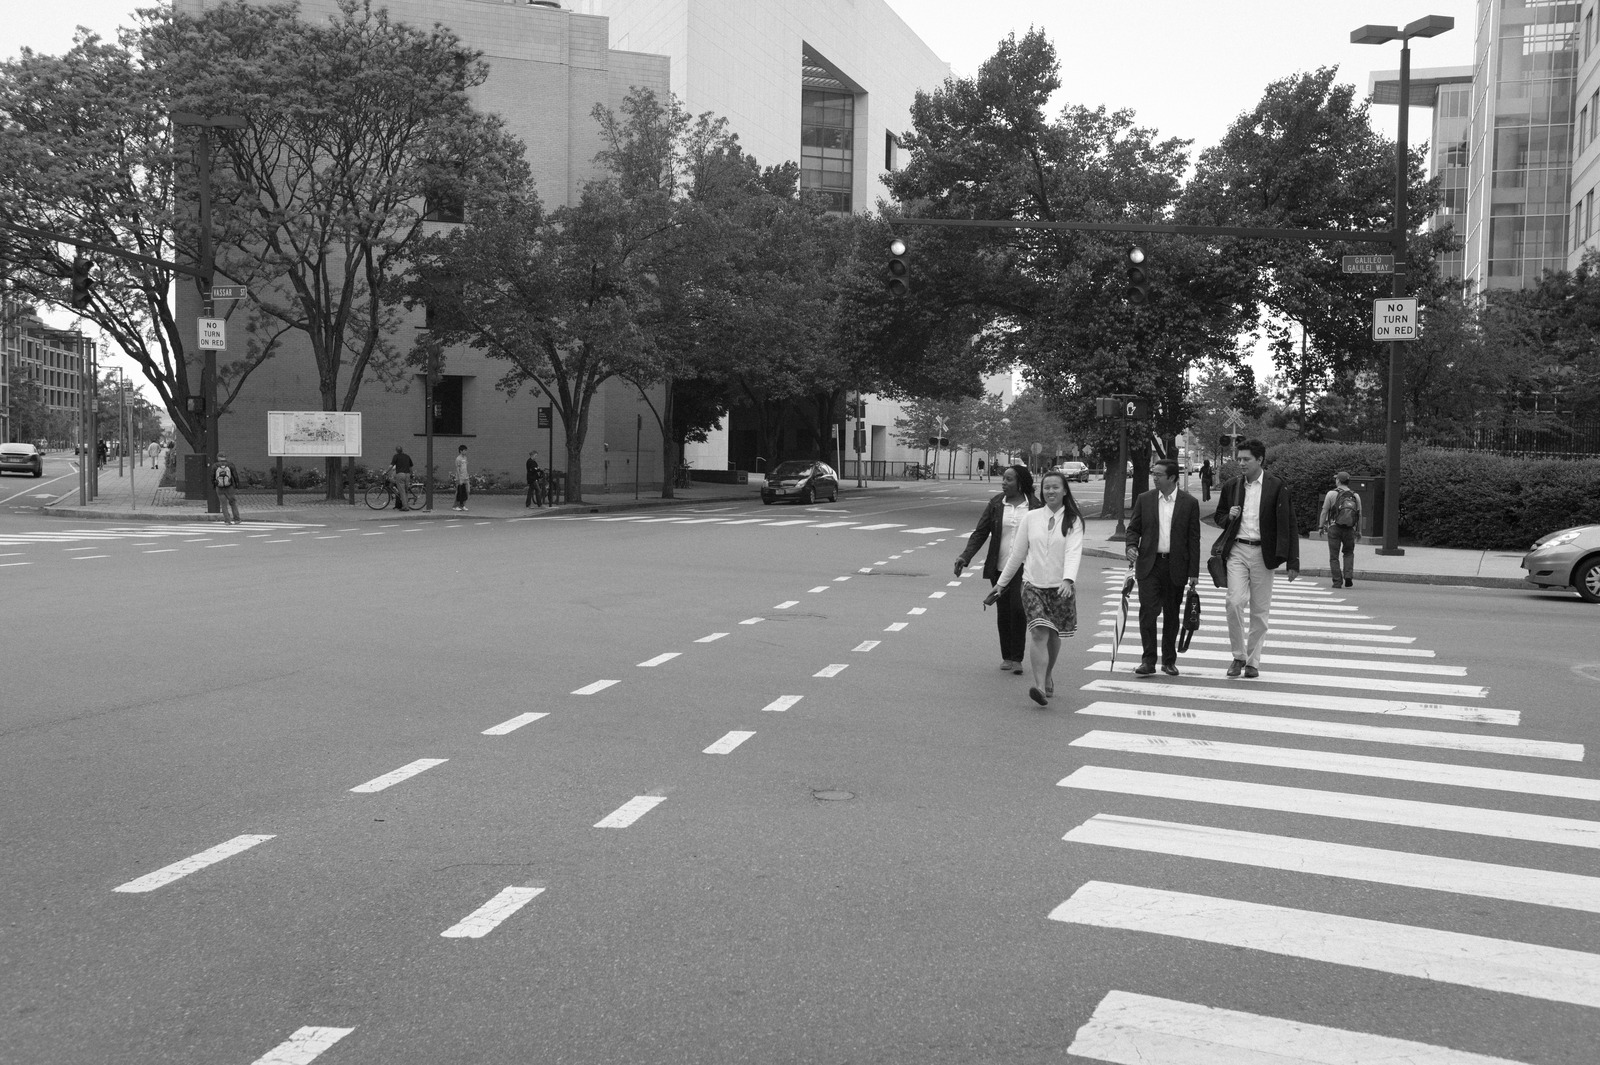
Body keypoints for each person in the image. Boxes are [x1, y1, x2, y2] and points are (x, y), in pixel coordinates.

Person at [984, 469, 1084, 706]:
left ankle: (1049, 675)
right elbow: (1017, 555)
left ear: (1064, 491)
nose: (1050, 491)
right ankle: (1039, 686)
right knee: (1039, 632)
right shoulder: (1031, 517)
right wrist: (1000, 585)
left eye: (1055, 487)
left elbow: (1073, 552)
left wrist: (1068, 579)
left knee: (1053, 635)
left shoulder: (1073, 520)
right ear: (1042, 491)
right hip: (1032, 585)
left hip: (1060, 587)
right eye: (1046, 487)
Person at [1211, 438, 1300, 679]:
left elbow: (1289, 524)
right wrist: (1228, 516)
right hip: (1237, 550)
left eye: (1246, 459)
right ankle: (1238, 656)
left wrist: (1293, 561)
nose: (1241, 463)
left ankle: (1252, 662)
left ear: (1260, 460)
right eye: (1239, 459)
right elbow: (1218, 517)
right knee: (1234, 602)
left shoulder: (1276, 486)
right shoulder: (1232, 486)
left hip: (1264, 553)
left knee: (1260, 611)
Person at [955, 464, 1042, 675]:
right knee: (1004, 611)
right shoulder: (996, 504)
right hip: (1000, 566)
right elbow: (981, 532)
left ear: (1020, 482)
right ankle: (1007, 656)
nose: (1004, 482)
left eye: (1009, 479)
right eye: (1003, 478)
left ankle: (1017, 658)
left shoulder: (1035, 506)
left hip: (1025, 567)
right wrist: (965, 557)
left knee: (1018, 609)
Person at [1125, 459, 1202, 676]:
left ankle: (1169, 661)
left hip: (1176, 566)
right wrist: (1131, 545)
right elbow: (1133, 529)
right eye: (1153, 473)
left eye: (1158, 474)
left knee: (1171, 613)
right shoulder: (1145, 499)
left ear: (1172, 478)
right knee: (1148, 612)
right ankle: (1148, 660)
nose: (1154, 477)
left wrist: (1193, 573)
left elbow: (1193, 539)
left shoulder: (1189, 503)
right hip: (1150, 564)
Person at [1318, 471, 1361, 589]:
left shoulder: (1331, 494)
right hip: (1349, 529)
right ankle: (1348, 576)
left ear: (1338, 481)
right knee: (1348, 553)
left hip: (1334, 528)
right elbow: (1358, 514)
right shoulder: (1355, 495)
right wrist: (1358, 531)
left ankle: (1337, 581)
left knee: (1334, 556)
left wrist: (1321, 527)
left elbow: (1324, 511)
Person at [212, 451, 242, 524]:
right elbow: (235, 476)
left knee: (223, 504)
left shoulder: (215, 466)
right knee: (233, 502)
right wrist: (237, 485)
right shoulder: (230, 465)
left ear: (218, 458)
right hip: (229, 487)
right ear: (225, 457)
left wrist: (214, 485)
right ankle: (237, 519)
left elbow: (212, 477)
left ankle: (227, 520)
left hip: (219, 487)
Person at [389, 446, 413, 511]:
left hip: (400, 475)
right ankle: (406, 505)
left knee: (402, 491)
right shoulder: (407, 456)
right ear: (402, 450)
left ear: (396, 451)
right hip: (407, 474)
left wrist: (386, 471)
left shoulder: (396, 456)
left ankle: (405, 507)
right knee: (406, 491)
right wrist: (411, 474)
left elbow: (391, 466)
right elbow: (410, 467)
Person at [452, 444, 470, 511]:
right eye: (464, 450)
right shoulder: (458, 459)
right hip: (460, 477)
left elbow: (465, 467)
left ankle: (462, 505)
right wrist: (459, 478)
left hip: (466, 477)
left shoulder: (465, 458)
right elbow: (457, 469)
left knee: (467, 491)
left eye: (466, 450)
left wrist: (467, 475)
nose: (466, 452)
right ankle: (455, 506)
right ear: (461, 451)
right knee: (459, 492)